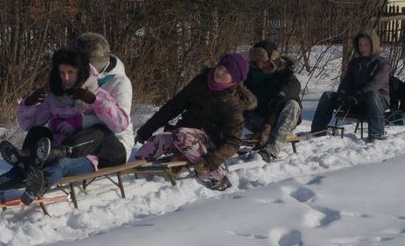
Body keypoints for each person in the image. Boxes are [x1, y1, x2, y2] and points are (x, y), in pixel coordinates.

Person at [0, 48, 129, 205]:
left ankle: (39, 179)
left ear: (80, 72)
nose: (66, 78)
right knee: (37, 135)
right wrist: (28, 103)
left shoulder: (97, 94)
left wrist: (95, 100)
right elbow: (29, 124)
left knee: (64, 161)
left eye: (70, 72)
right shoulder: (54, 98)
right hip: (53, 149)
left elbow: (120, 124)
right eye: (62, 73)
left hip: (90, 154)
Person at [134, 53, 255, 191]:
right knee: (155, 144)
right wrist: (145, 131)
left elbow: (233, 142)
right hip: (183, 135)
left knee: (181, 135)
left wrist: (211, 161)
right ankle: (138, 171)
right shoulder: (201, 82)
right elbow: (173, 106)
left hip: (209, 143)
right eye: (220, 67)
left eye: (227, 71)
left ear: (234, 78)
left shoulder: (234, 103)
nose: (220, 72)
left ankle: (217, 176)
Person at [66, 32, 134, 167]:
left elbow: (120, 124)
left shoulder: (120, 82)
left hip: (113, 144)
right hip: (79, 139)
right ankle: (28, 160)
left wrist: (94, 101)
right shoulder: (73, 78)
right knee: (41, 131)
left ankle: (58, 155)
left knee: (97, 132)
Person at [310, 29, 391, 142]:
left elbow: (375, 84)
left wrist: (357, 96)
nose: (362, 48)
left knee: (372, 95)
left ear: (373, 45)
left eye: (366, 44)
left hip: (376, 101)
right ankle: (317, 132)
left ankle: (376, 135)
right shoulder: (355, 63)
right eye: (360, 45)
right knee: (328, 96)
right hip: (355, 100)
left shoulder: (382, 64)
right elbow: (346, 81)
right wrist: (342, 94)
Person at [242, 39, 301, 162]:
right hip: (259, 120)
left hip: (281, 121)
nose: (259, 65)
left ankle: (271, 151)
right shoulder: (251, 76)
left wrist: (268, 125)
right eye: (257, 61)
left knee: (293, 105)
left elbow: (279, 102)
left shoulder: (287, 77)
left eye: (263, 62)